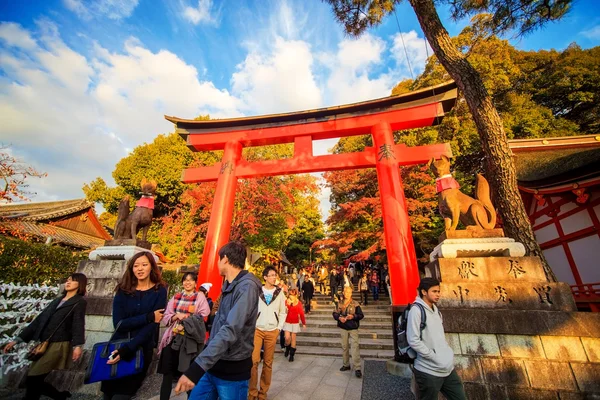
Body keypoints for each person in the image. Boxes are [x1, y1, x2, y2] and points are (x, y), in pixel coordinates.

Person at [175, 241, 262, 399]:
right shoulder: (228, 285)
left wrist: (197, 368)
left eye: (218, 259)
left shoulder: (246, 287)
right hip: (213, 364)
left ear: (225, 259)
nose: (217, 263)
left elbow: (231, 329)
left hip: (232, 369)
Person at [3, 273, 87, 400]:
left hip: (59, 343)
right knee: (34, 379)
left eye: (73, 281)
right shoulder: (57, 300)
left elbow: (78, 323)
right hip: (43, 342)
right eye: (68, 280)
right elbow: (39, 320)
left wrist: (77, 345)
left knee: (34, 377)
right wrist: (18, 340)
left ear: (79, 284)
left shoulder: (79, 302)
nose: (68, 282)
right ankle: (59, 396)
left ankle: (57, 396)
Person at [102, 252, 168, 400]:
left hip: (140, 349)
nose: (140, 269)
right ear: (131, 268)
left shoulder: (160, 291)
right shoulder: (123, 290)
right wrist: (148, 317)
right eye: (136, 265)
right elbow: (119, 324)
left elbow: (151, 327)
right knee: (107, 394)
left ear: (152, 267)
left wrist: (128, 349)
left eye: (144, 265)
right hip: (117, 345)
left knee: (123, 396)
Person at [408, 278, 466, 400]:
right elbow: (413, 339)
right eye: (434, 291)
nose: (438, 294)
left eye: (438, 291)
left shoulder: (437, 311)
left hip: (447, 368)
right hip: (428, 369)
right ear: (424, 292)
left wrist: (447, 354)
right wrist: (432, 356)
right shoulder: (416, 310)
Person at [157, 272, 210, 400]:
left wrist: (187, 319)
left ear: (195, 283)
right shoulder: (176, 297)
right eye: (185, 280)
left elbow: (204, 315)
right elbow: (167, 316)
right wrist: (176, 316)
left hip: (190, 339)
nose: (188, 282)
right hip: (174, 336)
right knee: (167, 373)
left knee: (188, 372)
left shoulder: (199, 297)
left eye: (191, 280)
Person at [249, 267, 287, 400]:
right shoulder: (257, 290)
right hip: (257, 329)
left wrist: (279, 328)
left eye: (274, 275)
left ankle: (262, 393)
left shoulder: (279, 292)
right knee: (253, 361)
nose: (273, 277)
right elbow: (251, 308)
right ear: (264, 277)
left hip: (272, 330)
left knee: (268, 362)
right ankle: (252, 392)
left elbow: (283, 311)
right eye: (271, 275)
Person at [333, 285, 364, 378]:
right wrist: (339, 317)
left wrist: (353, 316)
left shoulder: (355, 303)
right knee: (344, 346)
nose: (347, 294)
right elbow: (334, 313)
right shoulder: (340, 303)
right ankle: (346, 364)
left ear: (351, 293)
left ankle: (357, 367)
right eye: (345, 292)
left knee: (355, 347)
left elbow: (361, 315)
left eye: (349, 292)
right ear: (343, 292)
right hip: (343, 327)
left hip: (353, 327)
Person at [282, 289, 306, 362]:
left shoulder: (299, 303)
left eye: (292, 295)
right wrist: (288, 305)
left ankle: (292, 355)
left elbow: (301, 313)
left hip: (295, 322)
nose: (291, 296)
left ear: (295, 295)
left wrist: (304, 323)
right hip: (287, 322)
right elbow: (284, 311)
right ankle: (287, 347)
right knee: (287, 338)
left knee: (293, 338)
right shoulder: (286, 301)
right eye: (290, 294)